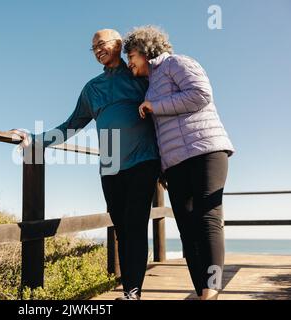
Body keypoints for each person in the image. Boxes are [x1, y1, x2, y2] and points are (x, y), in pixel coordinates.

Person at [11, 29, 160, 300]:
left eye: (101, 44)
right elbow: (71, 126)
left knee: (136, 226)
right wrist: (35, 139)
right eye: (93, 48)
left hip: (144, 161)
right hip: (111, 166)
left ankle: (133, 292)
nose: (97, 50)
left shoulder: (139, 75)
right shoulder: (92, 89)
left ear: (118, 44)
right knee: (123, 231)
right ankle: (131, 292)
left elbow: (164, 110)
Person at [124, 25, 235, 300]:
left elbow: (200, 94)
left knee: (208, 217)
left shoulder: (177, 63)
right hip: (175, 163)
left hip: (206, 151)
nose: (129, 63)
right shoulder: (148, 86)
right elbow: (161, 132)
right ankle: (202, 292)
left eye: (131, 56)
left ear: (143, 50)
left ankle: (212, 289)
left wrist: (154, 107)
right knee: (186, 226)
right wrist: (163, 165)